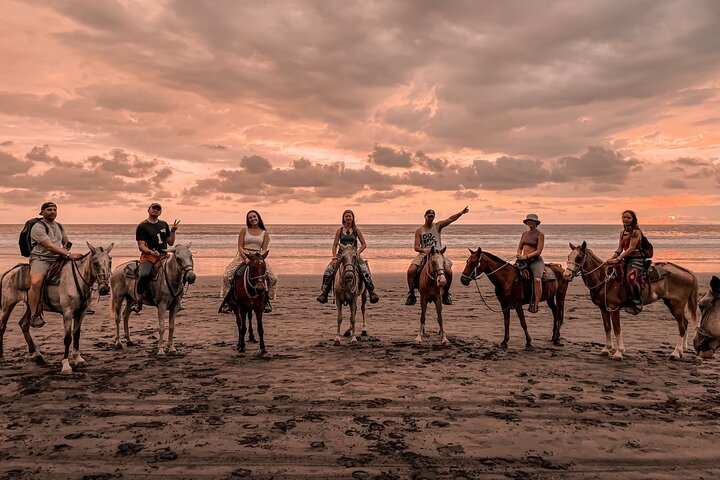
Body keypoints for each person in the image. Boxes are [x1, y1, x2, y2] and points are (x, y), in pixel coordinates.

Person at [28, 202, 83, 328]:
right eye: (49, 210)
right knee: (36, 282)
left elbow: (66, 241)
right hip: (41, 258)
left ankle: (83, 302)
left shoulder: (59, 226)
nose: (52, 212)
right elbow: (49, 245)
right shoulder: (38, 227)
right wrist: (68, 255)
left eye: (54, 209)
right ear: (42, 212)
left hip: (58, 257)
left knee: (79, 272)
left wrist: (67, 248)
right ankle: (34, 314)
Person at [405, 206, 469, 306]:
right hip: (424, 254)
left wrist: (461, 213)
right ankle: (411, 294)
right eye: (429, 216)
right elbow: (416, 247)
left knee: (448, 271)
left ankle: (446, 293)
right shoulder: (419, 230)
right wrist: (424, 249)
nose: (431, 218)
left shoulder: (437, 226)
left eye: (432, 216)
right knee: (411, 271)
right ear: (425, 217)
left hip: (438, 254)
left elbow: (450, 219)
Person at [316, 210, 380, 304]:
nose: (348, 218)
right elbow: (334, 245)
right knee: (328, 271)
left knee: (364, 270)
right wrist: (334, 257)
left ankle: (371, 292)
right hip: (341, 255)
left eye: (350, 216)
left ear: (353, 218)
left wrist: (358, 252)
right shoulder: (339, 230)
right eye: (346, 216)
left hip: (354, 255)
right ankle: (325, 293)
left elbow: (364, 244)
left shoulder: (356, 230)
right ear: (343, 218)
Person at [220, 210, 278, 313]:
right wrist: (245, 258)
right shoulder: (244, 230)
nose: (252, 219)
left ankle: (266, 301)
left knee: (273, 278)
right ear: (248, 220)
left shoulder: (265, 233)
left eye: (254, 217)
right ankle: (228, 302)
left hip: (257, 257)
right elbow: (240, 246)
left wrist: (258, 258)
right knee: (227, 276)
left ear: (258, 217)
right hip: (243, 255)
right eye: (250, 217)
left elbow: (264, 249)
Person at [130, 203, 180, 313]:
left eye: (158, 209)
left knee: (178, 272)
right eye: (154, 208)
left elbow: (170, 243)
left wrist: (173, 231)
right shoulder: (142, 226)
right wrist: (151, 252)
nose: (156, 210)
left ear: (160, 212)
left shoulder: (163, 224)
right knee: (144, 274)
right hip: (148, 257)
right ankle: (138, 301)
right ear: (148, 210)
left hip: (164, 256)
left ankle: (176, 299)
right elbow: (141, 246)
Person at [608, 210, 647, 314]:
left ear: (633, 219)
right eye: (624, 217)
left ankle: (637, 303)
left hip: (637, 260)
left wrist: (618, 259)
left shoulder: (636, 232)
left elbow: (631, 249)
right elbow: (620, 249)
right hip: (626, 259)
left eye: (628, 218)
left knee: (631, 278)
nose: (626, 219)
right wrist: (611, 259)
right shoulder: (623, 232)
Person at [517, 213, 545, 313]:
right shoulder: (524, 234)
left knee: (537, 280)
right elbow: (520, 247)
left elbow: (539, 251)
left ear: (536, 223)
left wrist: (527, 256)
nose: (530, 222)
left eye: (532, 221)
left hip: (535, 260)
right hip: (523, 260)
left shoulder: (540, 234)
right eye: (528, 220)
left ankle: (536, 304)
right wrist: (519, 254)